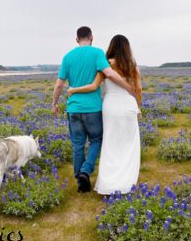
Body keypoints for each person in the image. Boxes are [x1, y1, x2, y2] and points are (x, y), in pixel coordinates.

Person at [51, 26, 135, 193]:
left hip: (73, 108)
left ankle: (80, 178)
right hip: (93, 108)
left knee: (77, 144)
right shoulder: (97, 53)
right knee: (96, 140)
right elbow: (109, 74)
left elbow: (60, 83)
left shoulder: (68, 57)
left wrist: (54, 103)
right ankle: (86, 170)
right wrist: (127, 87)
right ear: (92, 37)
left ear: (76, 39)